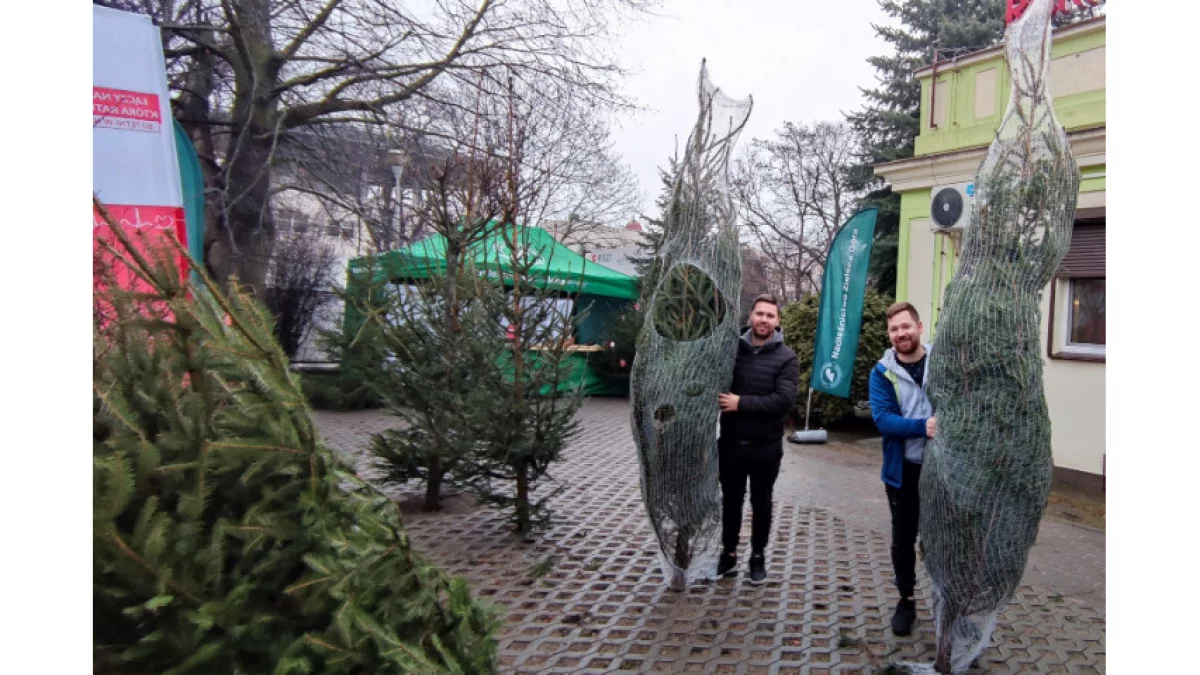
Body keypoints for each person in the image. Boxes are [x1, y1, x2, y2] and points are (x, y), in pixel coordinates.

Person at [716, 293, 800, 585]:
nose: (764, 320)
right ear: (750, 316)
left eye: (770, 316)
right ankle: (727, 554)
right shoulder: (731, 351)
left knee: (761, 503)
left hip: (766, 447)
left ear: (777, 321)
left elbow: (783, 401)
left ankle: (757, 556)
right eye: (759, 314)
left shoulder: (786, 357)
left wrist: (741, 404)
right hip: (731, 444)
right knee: (731, 502)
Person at [868, 301, 936, 636]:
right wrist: (924, 427)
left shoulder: (943, 362)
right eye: (894, 329)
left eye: (905, 327)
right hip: (904, 471)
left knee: (943, 538)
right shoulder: (881, 372)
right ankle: (906, 601)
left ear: (919, 327)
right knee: (903, 539)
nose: (900, 334)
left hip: (943, 471)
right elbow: (884, 421)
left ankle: (947, 601)